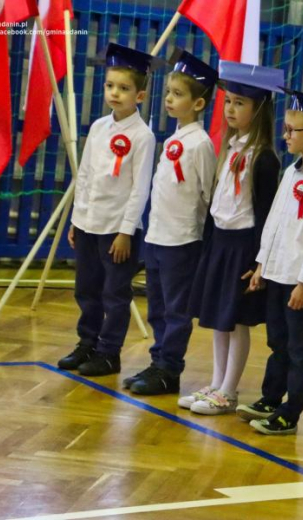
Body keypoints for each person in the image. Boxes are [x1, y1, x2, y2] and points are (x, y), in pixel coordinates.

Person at [236, 90, 303, 435]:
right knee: (277, 341)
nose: (285, 136)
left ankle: (291, 411)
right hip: (277, 273)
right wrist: (261, 265)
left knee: (299, 348)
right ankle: (271, 398)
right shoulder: (291, 173)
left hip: (299, 280)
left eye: (291, 130)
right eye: (284, 129)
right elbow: (275, 223)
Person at [180, 62, 283, 415]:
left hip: (244, 248)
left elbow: (266, 214)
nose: (231, 109)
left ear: (258, 110)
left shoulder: (264, 158)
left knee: (236, 320)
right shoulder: (229, 147)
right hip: (221, 243)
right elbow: (217, 202)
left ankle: (229, 390)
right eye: (229, 102)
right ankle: (216, 382)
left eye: (240, 103)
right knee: (217, 318)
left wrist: (259, 261)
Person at [58, 43, 157, 377]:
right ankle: (86, 342)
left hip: (117, 231)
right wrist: (77, 218)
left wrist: (126, 231)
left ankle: (108, 352)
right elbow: (84, 176)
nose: (115, 93)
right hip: (89, 224)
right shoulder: (100, 127)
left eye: (125, 88)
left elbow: (140, 188)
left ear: (139, 96)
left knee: (114, 293)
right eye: (110, 85)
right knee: (86, 288)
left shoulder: (143, 137)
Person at [124, 50, 217, 395]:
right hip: (158, 236)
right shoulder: (175, 139)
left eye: (178, 94)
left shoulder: (200, 144)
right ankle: (158, 361)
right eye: (168, 93)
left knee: (177, 310)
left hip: (182, 240)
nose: (169, 100)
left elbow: (207, 195)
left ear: (198, 104)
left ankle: (170, 368)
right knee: (158, 307)